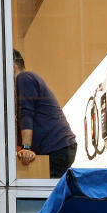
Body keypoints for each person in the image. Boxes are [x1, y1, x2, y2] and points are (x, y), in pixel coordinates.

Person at [14, 50, 76, 178]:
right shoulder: (26, 81)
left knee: (47, 190)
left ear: (12, 66)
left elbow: (26, 114)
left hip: (56, 147)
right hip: (60, 146)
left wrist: (26, 148)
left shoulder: (24, 78)